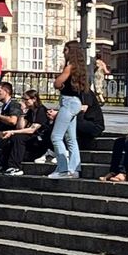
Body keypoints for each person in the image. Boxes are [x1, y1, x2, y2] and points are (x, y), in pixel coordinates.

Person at [47, 42, 87, 178]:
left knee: (56, 137)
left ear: (71, 51)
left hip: (68, 102)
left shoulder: (70, 67)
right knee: (71, 139)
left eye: (65, 49)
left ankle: (63, 169)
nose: (64, 52)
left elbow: (57, 83)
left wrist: (60, 82)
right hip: (75, 102)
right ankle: (75, 169)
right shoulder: (80, 68)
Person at [0, 90, 51, 175]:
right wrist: (22, 113)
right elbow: (20, 127)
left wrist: (13, 131)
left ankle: (15, 167)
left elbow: (32, 130)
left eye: (26, 99)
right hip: (32, 139)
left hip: (41, 139)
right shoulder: (30, 111)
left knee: (18, 137)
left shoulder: (41, 110)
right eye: (23, 99)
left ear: (34, 99)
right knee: (11, 138)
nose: (24, 102)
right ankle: (4, 165)